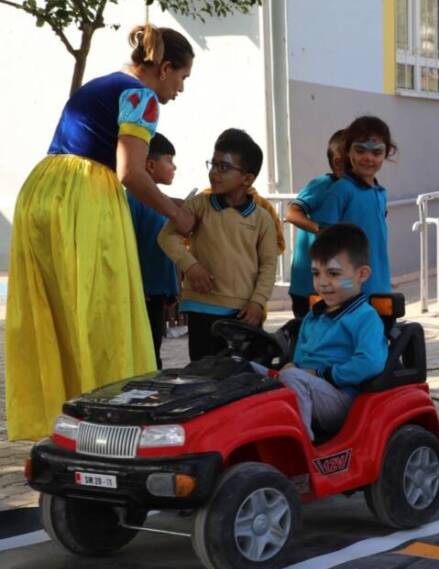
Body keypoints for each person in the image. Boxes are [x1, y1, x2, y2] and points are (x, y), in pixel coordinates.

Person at [4, 25, 196, 441]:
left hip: (42, 190)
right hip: (84, 197)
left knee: (58, 311)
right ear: (164, 69)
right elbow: (130, 172)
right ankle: (107, 420)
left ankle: (62, 415)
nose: (180, 89)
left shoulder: (101, 84)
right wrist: (175, 214)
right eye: (182, 78)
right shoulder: (141, 97)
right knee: (102, 311)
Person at [158, 128, 279, 361]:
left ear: (247, 179)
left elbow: (269, 264)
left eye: (223, 167)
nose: (214, 173)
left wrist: (258, 302)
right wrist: (190, 266)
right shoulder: (198, 205)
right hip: (201, 309)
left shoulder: (262, 218)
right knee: (205, 379)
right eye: (212, 165)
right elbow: (166, 236)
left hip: (244, 313)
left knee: (244, 379)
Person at [267, 224, 388, 442]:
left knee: (292, 378)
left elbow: (370, 363)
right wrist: (293, 366)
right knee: (248, 370)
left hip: (342, 400)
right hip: (307, 388)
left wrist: (322, 374)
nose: (322, 283)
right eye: (316, 273)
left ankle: (299, 448)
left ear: (362, 274)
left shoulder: (365, 318)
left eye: (333, 273)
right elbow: (302, 361)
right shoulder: (314, 316)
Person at [312, 116, 395, 297]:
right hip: (349, 292)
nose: (368, 157)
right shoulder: (341, 190)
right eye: (360, 150)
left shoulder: (381, 192)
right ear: (348, 151)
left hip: (380, 287)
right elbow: (324, 241)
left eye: (376, 152)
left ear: (386, 154)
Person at [127, 132, 179, 369]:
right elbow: (130, 247)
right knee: (145, 357)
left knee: (154, 351)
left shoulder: (159, 200)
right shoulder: (135, 199)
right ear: (150, 164)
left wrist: (170, 289)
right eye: (169, 160)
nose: (174, 166)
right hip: (142, 293)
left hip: (157, 292)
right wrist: (137, 286)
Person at [285, 130, 346, 318]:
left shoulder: (362, 191)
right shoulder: (322, 185)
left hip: (340, 284)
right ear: (338, 163)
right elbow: (292, 213)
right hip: (308, 286)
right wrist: (319, 229)